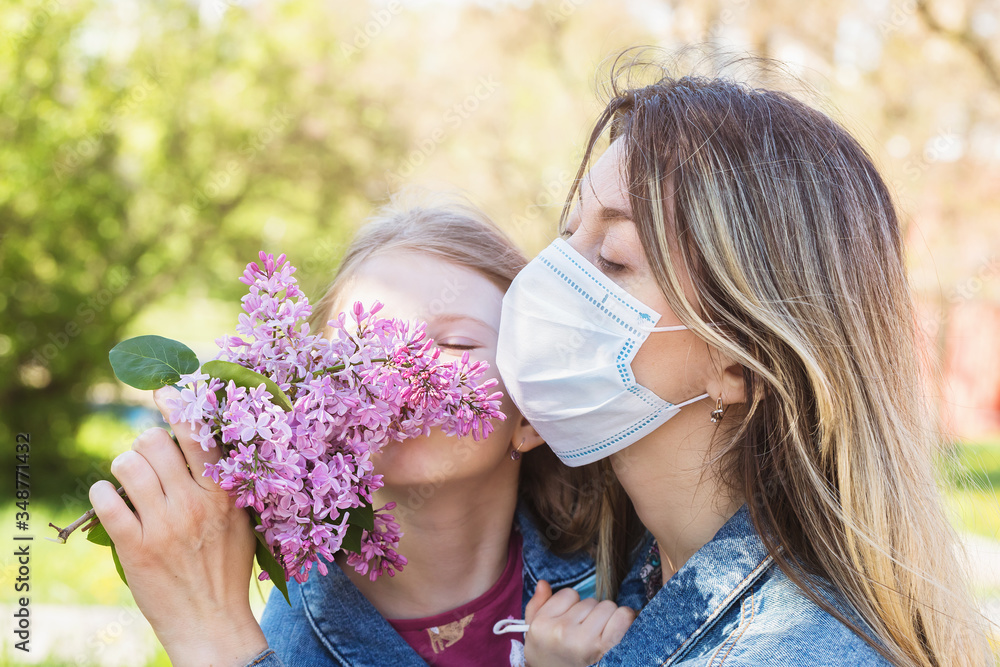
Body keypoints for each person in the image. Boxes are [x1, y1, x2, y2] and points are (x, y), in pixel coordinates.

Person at [495, 57, 994, 666]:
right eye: (567, 239)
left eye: (614, 259)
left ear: (739, 364)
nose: (548, 283)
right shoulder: (634, 566)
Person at [88, 196, 648, 667]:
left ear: (529, 411)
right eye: (358, 344)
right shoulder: (286, 637)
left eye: (452, 342)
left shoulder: (631, 576)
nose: (394, 371)